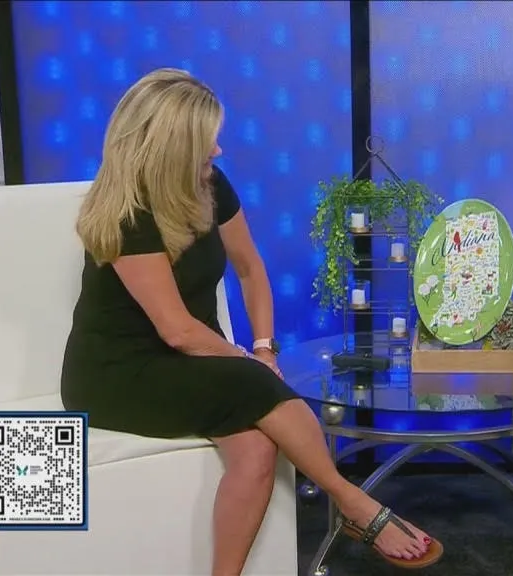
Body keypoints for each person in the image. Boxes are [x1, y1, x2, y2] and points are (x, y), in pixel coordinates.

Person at [60, 68, 442, 575]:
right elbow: (177, 330)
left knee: (258, 449)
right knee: (254, 383)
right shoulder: (130, 215)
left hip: (191, 359)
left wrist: (263, 347)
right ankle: (353, 502)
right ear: (171, 148)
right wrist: (248, 363)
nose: (217, 150)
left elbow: (250, 269)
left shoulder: (209, 184)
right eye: (206, 141)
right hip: (118, 376)